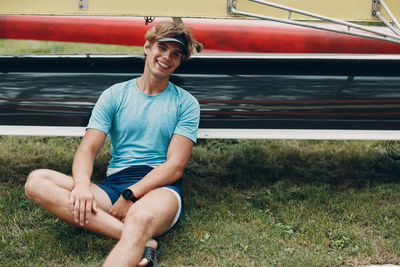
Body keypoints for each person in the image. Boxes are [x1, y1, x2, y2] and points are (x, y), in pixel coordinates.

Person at [24, 20, 200, 267]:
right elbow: (88, 148)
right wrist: (83, 186)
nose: (167, 57)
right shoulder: (115, 94)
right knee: (37, 181)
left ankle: (135, 231)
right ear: (147, 47)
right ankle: (143, 241)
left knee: (138, 217)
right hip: (114, 186)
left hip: (160, 188)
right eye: (162, 48)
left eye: (176, 54)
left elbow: (174, 167)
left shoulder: (186, 103)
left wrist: (131, 195)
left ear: (180, 61)